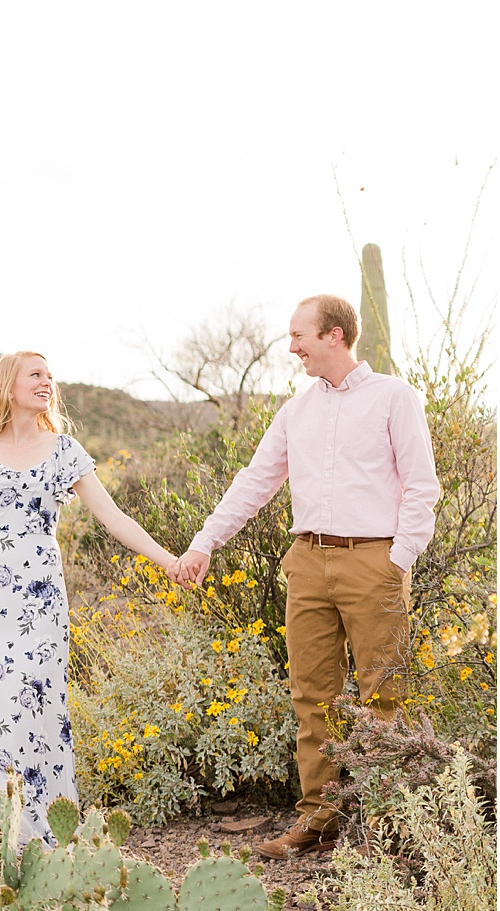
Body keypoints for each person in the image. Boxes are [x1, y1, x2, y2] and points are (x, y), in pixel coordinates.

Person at [168, 294, 440, 860]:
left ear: (335, 335)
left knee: (382, 694)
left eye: (300, 337)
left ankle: (390, 827)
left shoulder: (394, 397)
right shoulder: (296, 411)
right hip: (308, 562)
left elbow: (421, 484)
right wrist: (203, 542)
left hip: (374, 560)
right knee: (311, 696)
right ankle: (319, 820)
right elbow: (254, 481)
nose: (292, 348)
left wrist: (400, 559)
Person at [0, 350, 179, 847]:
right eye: (35, 374)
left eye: (49, 376)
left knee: (35, 706)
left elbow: (114, 517)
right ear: (10, 384)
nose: (46, 382)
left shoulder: (63, 450)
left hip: (37, 603)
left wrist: (168, 561)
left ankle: (43, 837)